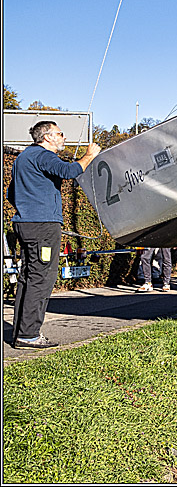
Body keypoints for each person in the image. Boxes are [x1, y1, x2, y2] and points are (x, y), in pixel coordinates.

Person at [7, 121, 100, 349]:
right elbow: (68, 171)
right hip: (43, 227)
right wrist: (90, 155)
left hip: (25, 224)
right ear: (47, 137)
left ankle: (21, 332)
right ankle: (28, 335)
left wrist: (29, 205)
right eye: (60, 133)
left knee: (27, 278)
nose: (64, 137)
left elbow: (11, 194)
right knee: (41, 280)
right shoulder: (43, 155)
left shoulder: (23, 158)